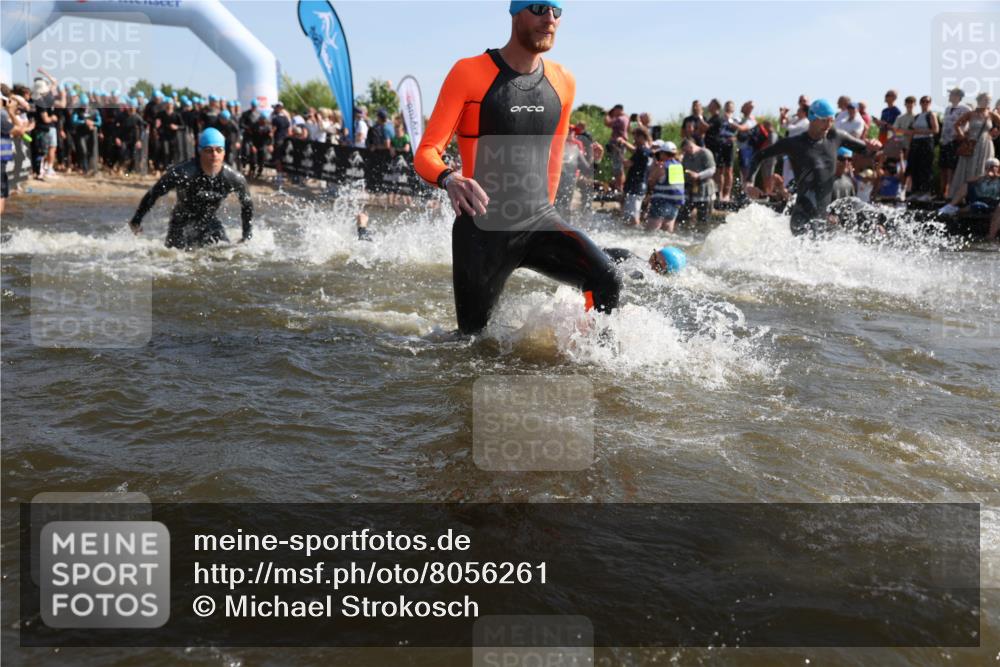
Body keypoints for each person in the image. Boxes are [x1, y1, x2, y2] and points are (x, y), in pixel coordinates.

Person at [413, 0, 621, 336]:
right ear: (516, 13)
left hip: (538, 220)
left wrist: (550, 215)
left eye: (556, 11)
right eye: (539, 9)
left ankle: (592, 356)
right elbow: (425, 153)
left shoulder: (563, 80)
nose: (549, 19)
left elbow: (554, 155)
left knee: (607, 277)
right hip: (483, 231)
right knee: (472, 343)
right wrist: (449, 178)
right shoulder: (469, 72)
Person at [745, 98, 881, 235]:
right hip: (802, 217)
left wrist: (874, 146)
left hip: (824, 220)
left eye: (831, 120)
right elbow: (759, 156)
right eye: (824, 120)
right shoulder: (795, 144)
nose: (828, 124)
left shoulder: (836, 137)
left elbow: (866, 151)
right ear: (812, 117)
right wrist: (749, 183)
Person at [128, 128, 253, 249]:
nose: (214, 154)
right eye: (209, 150)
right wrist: (136, 220)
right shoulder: (183, 173)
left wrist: (246, 236)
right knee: (173, 259)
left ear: (224, 152)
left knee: (227, 254)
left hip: (209, 221)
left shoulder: (234, 178)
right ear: (200, 151)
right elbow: (154, 193)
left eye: (219, 150)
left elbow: (247, 206)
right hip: (181, 222)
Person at [939, 93, 1000, 215]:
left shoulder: (991, 114)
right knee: (967, 169)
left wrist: (994, 133)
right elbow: (957, 125)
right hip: (972, 144)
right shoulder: (971, 113)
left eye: (988, 100)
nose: (987, 102)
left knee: (983, 169)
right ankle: (961, 197)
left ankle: (980, 196)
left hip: (985, 144)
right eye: (985, 100)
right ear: (979, 100)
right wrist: (962, 136)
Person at [645, 141, 685, 232]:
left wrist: (654, 165)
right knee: (667, 231)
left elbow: (651, 181)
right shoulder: (678, 166)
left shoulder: (662, 166)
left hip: (661, 202)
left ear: (663, 153)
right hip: (675, 204)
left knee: (650, 232)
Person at [939, 88, 971, 199]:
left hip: (955, 141)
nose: (949, 96)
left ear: (958, 96)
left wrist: (963, 134)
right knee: (943, 167)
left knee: (951, 168)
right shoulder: (948, 108)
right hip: (944, 141)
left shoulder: (965, 108)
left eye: (951, 94)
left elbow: (971, 123)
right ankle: (942, 193)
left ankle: (951, 193)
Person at [905, 96, 938, 199]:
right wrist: (908, 147)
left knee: (925, 167)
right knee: (915, 167)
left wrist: (919, 132)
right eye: (923, 101)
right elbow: (911, 132)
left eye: (927, 102)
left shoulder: (931, 114)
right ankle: (916, 191)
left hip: (926, 141)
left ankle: (926, 192)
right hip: (916, 142)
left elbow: (935, 130)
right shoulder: (917, 116)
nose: (925, 103)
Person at [679, 138, 716, 225]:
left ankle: (702, 236)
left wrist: (699, 175)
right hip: (690, 190)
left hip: (705, 190)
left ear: (690, 146)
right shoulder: (686, 156)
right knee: (682, 216)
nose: (685, 152)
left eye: (685, 149)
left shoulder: (705, 153)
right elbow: (683, 169)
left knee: (703, 219)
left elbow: (712, 169)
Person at [621, 125, 652, 226]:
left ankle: (634, 234)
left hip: (635, 186)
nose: (634, 140)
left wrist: (619, 155)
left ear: (642, 137)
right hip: (642, 185)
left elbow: (627, 164)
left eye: (636, 137)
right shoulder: (649, 151)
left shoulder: (641, 151)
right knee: (632, 214)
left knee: (633, 216)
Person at [604, 103, 628, 192]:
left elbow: (607, 123)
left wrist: (607, 114)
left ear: (618, 110)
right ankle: (619, 186)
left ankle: (619, 187)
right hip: (620, 145)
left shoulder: (620, 119)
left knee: (618, 168)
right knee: (619, 167)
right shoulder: (626, 118)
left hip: (618, 145)